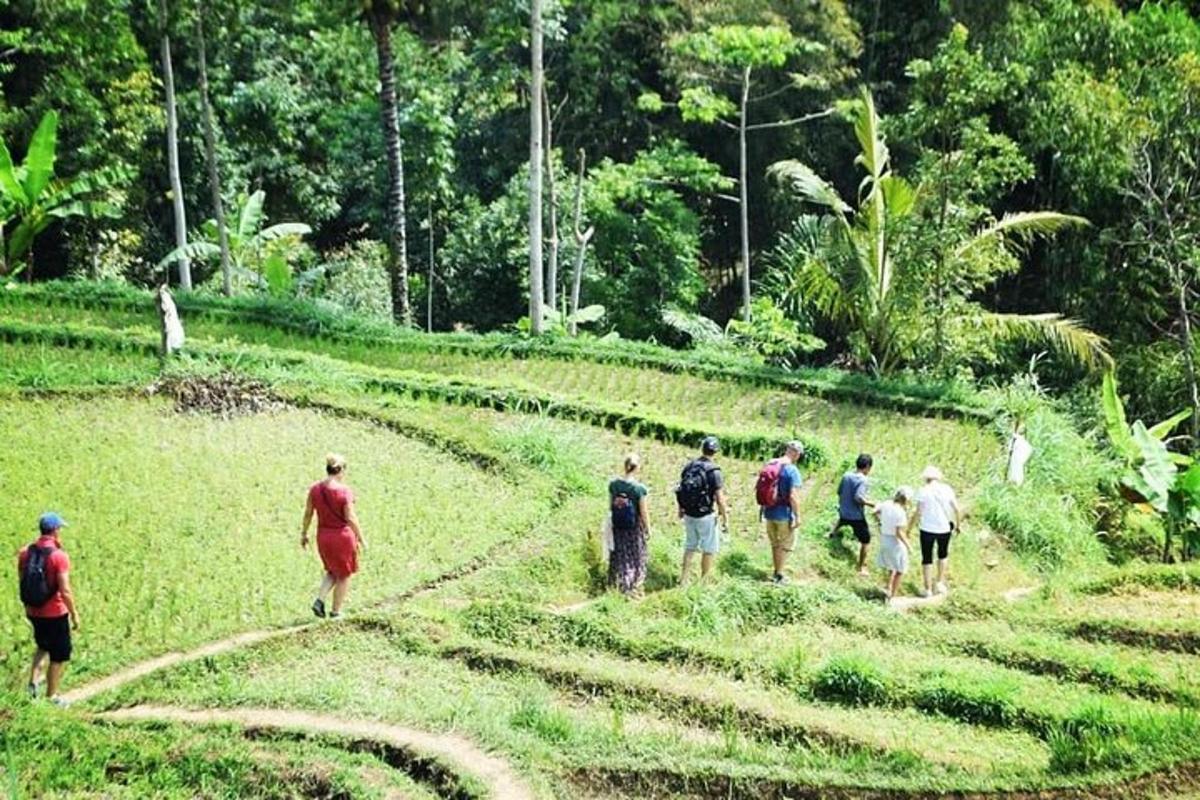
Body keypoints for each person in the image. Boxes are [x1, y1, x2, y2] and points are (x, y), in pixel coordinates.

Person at [17, 512, 79, 706]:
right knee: (59, 654)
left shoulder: (25, 552)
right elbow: (65, 589)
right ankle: (52, 697)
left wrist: (30, 605)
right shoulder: (59, 556)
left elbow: (22, 581)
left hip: (33, 611)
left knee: (43, 646)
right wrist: (75, 614)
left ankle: (33, 685)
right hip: (55, 613)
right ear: (55, 531)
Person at [301, 453, 367, 618]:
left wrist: (304, 533)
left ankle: (319, 600)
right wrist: (361, 538)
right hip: (342, 537)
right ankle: (336, 612)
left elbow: (308, 513)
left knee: (332, 571)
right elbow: (350, 517)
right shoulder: (344, 491)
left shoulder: (315, 489)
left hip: (323, 536)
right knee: (344, 575)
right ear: (341, 470)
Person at [677, 436, 729, 584]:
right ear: (716, 452)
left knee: (690, 546)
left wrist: (680, 509)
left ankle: (684, 579)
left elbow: (681, 489)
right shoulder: (714, 471)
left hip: (688, 513)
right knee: (709, 549)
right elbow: (719, 498)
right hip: (705, 515)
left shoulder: (689, 466)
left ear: (702, 448)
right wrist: (725, 517)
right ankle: (704, 581)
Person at [908, 465, 961, 597]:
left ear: (926, 478)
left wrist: (909, 528)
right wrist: (958, 525)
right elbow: (957, 509)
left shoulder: (923, 491)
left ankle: (927, 589)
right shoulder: (947, 489)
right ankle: (939, 583)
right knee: (942, 555)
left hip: (927, 529)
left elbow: (918, 512)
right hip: (944, 528)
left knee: (927, 558)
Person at [758, 441, 805, 585]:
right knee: (785, 545)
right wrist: (797, 516)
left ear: (787, 450)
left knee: (775, 544)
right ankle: (779, 575)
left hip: (769, 511)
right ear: (796, 454)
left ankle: (777, 571)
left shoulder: (771, 464)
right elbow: (793, 496)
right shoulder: (792, 470)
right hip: (784, 514)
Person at [608, 453, 651, 597]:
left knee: (619, 553)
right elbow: (643, 512)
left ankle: (616, 581)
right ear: (637, 468)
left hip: (618, 524)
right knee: (635, 555)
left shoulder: (614, 485)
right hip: (633, 527)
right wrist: (648, 529)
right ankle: (630, 585)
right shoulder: (639, 489)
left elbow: (610, 506)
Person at [829, 454, 876, 576]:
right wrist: (871, 504)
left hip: (844, 511)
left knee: (842, 520)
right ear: (867, 467)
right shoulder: (863, 480)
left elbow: (839, 492)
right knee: (866, 540)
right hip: (856, 516)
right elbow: (859, 497)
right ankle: (861, 567)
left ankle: (832, 533)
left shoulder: (846, 476)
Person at [873, 487, 912, 603]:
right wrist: (909, 546)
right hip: (895, 542)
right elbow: (899, 532)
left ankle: (888, 588)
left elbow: (874, 511)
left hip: (884, 538)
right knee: (900, 569)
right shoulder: (901, 512)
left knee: (891, 566)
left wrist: (879, 522)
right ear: (906, 500)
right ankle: (892, 596)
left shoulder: (886, 504)